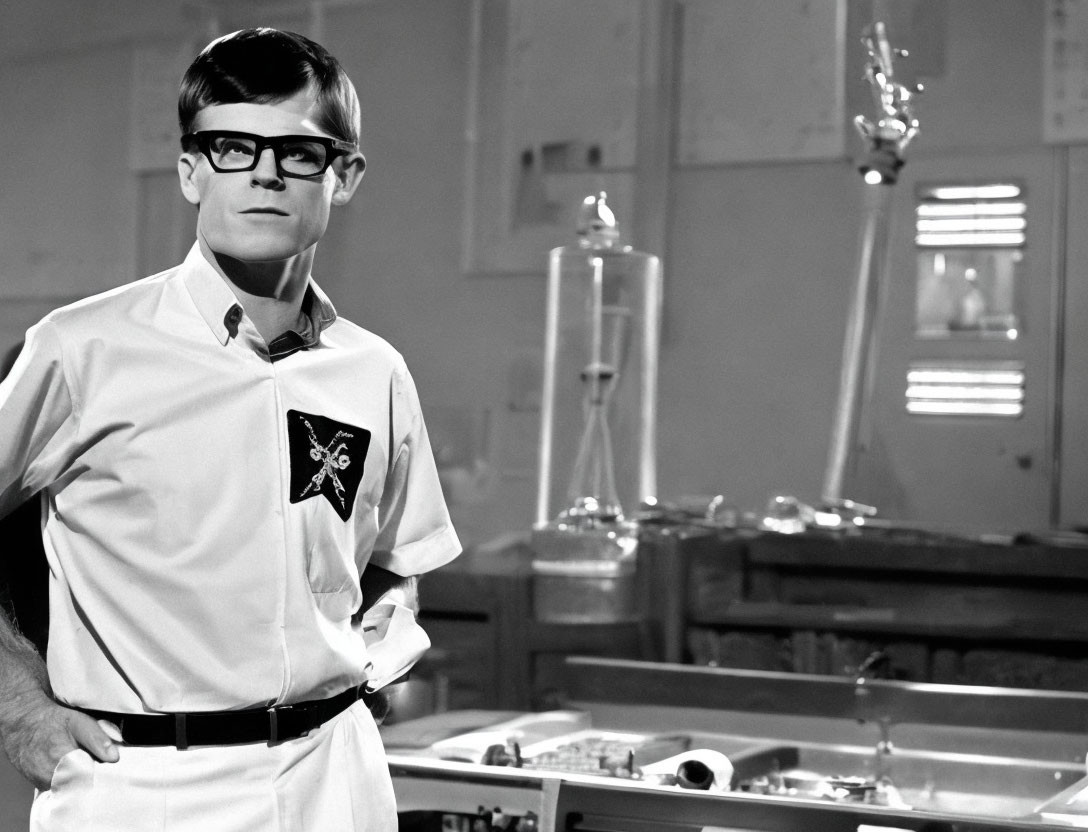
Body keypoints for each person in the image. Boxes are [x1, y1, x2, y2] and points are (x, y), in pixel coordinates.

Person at [0, 27, 460, 831]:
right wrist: (15, 704)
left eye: (299, 153)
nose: (264, 174)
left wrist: (374, 657)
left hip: (337, 776)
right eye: (231, 147)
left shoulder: (374, 372)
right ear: (190, 170)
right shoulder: (82, 351)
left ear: (343, 174)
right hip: (147, 783)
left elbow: (397, 563)